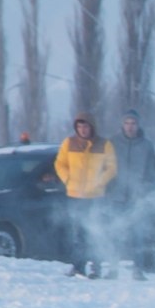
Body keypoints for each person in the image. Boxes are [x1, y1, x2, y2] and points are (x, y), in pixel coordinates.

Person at [54, 112, 118, 278]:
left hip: (96, 196)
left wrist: (100, 181)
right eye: (79, 126)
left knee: (95, 232)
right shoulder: (69, 143)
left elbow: (111, 168)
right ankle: (78, 266)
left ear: (92, 127)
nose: (82, 130)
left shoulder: (104, 144)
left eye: (86, 126)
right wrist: (68, 179)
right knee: (78, 234)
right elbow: (60, 164)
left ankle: (96, 267)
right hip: (75, 195)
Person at [106, 108, 155, 280]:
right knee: (115, 233)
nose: (130, 126)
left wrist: (146, 189)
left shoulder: (146, 145)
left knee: (138, 235)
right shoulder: (112, 143)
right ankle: (113, 269)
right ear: (122, 124)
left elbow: (152, 172)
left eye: (133, 123)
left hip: (137, 198)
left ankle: (138, 270)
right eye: (127, 123)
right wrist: (109, 187)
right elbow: (104, 167)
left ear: (138, 125)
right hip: (116, 197)